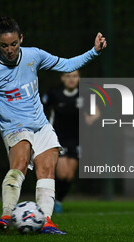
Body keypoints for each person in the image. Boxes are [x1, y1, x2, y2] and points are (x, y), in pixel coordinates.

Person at [0, 16, 106, 234]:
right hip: (14, 127)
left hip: (41, 125)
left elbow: (66, 64)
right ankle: (7, 214)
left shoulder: (34, 55)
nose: (10, 50)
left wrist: (94, 51)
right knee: (19, 162)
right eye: (4, 45)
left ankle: (46, 221)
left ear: (21, 39)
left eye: (14, 44)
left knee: (47, 170)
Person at [42, 70, 80, 213]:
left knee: (69, 174)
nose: (72, 79)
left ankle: (58, 201)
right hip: (59, 137)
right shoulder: (54, 93)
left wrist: (93, 116)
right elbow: (42, 108)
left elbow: (94, 111)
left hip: (77, 138)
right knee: (62, 172)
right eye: (68, 76)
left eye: (75, 76)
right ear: (63, 78)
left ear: (78, 78)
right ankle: (49, 199)